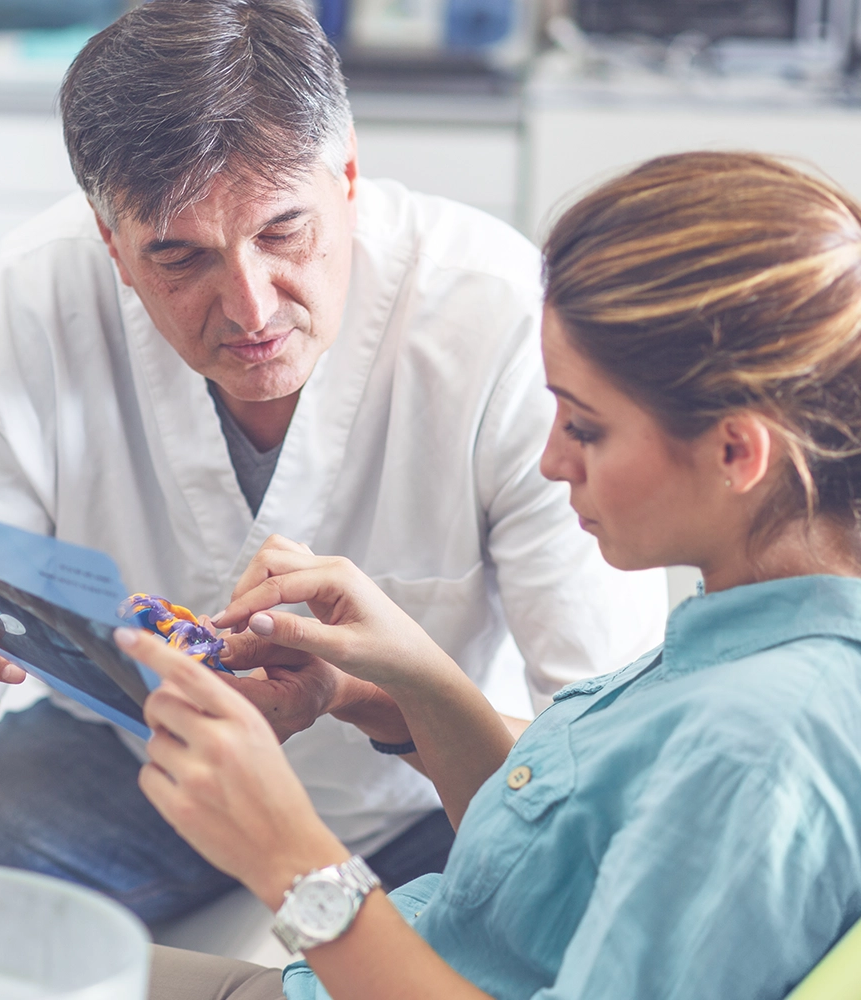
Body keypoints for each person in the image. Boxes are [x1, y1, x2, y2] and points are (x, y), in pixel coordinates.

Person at [0, 0, 665, 923]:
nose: (250, 309)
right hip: (127, 766)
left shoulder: (499, 323)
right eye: (177, 254)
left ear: (351, 175)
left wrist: (359, 693)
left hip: (421, 798)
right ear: (112, 246)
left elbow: (610, 771)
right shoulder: (31, 301)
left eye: (285, 233)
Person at [124, 151, 861, 1000]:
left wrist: (291, 860)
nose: (553, 462)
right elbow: (557, 872)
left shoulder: (760, 743)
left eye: (586, 429)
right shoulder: (762, 615)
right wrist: (384, 684)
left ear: (737, 450)